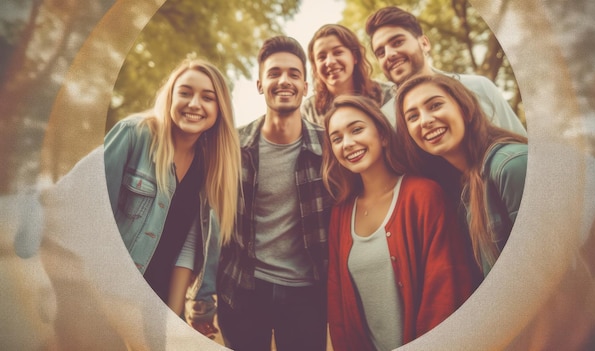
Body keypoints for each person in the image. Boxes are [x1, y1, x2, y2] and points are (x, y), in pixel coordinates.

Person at [322, 94, 477, 350]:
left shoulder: (424, 195)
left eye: (357, 129)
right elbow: (339, 309)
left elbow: (445, 290)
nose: (347, 143)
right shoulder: (339, 214)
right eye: (336, 138)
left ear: (383, 135)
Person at [104, 58, 240, 336]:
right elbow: (90, 216)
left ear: (219, 109)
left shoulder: (209, 166)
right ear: (171, 96)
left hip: (158, 303)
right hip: (107, 293)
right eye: (185, 92)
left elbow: (189, 247)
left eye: (207, 97)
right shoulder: (134, 135)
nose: (194, 103)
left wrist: (172, 319)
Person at [217, 36, 333, 351]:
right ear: (259, 84)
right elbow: (210, 219)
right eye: (274, 73)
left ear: (306, 86)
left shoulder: (331, 148)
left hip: (307, 293)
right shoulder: (234, 148)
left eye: (294, 74)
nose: (284, 80)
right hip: (243, 288)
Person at [395, 73, 528, 276]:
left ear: (464, 109)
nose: (425, 121)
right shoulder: (459, 189)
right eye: (413, 117)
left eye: (435, 105)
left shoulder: (511, 166)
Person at [365, 6, 527, 136]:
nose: (389, 55)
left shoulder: (479, 87)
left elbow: (522, 147)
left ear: (424, 43)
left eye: (397, 42)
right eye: (381, 52)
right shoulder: (386, 121)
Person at [302, 23, 395, 126]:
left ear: (354, 57)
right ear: (315, 66)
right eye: (322, 57)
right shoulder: (309, 111)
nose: (330, 62)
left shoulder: (386, 95)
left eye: (338, 52)